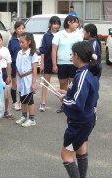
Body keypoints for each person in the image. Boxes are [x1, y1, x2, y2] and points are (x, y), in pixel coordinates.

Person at [58, 41, 100, 178]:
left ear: (76, 55)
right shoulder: (91, 71)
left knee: (66, 154)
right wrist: (66, 94)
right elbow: (86, 96)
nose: (71, 57)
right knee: (81, 149)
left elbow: (77, 104)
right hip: (88, 118)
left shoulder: (82, 75)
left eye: (72, 54)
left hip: (80, 121)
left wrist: (64, 100)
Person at [52, 15, 83, 113]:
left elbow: (81, 48)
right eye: (75, 22)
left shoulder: (78, 35)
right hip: (61, 63)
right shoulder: (59, 34)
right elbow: (54, 50)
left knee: (73, 84)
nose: (77, 24)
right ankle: (63, 104)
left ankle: (73, 104)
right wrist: (54, 64)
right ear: (69, 22)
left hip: (74, 64)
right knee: (63, 84)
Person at [15, 32, 38, 127]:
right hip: (20, 79)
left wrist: (33, 83)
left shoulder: (32, 53)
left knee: (30, 100)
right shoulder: (19, 53)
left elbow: (34, 69)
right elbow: (17, 66)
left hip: (28, 79)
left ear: (29, 42)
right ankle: (24, 116)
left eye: (22, 42)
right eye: (19, 42)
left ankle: (32, 119)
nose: (20, 44)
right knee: (22, 99)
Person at [39, 16, 61, 112]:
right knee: (46, 82)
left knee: (62, 83)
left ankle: (64, 103)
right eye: (54, 23)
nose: (56, 25)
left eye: (57, 23)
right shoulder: (46, 36)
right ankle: (43, 102)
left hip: (60, 62)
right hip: (48, 62)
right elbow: (42, 51)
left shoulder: (61, 35)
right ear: (50, 24)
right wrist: (42, 63)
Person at [8, 21, 25, 111]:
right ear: (15, 30)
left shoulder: (27, 39)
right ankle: (14, 102)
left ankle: (21, 101)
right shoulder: (12, 41)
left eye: (22, 28)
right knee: (14, 84)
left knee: (22, 84)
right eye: (19, 29)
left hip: (24, 65)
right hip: (15, 65)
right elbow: (9, 54)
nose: (21, 30)